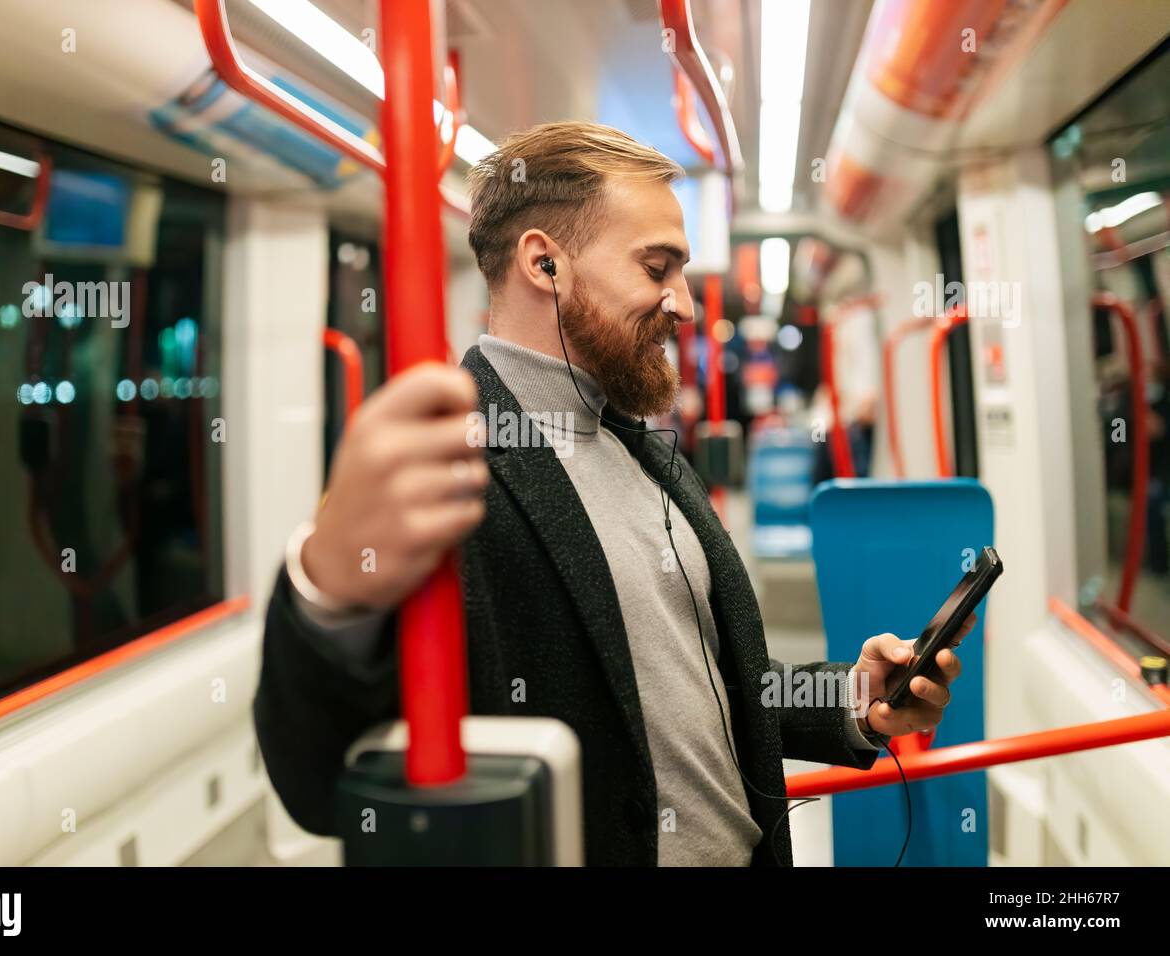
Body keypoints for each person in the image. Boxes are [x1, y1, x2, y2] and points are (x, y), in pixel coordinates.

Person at [255, 122, 966, 866]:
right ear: (545, 264)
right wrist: (327, 587)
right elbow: (319, 778)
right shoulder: (450, 468)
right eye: (658, 267)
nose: (685, 305)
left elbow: (701, 693)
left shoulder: (640, 449)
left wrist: (850, 699)